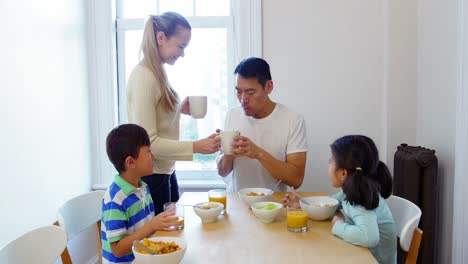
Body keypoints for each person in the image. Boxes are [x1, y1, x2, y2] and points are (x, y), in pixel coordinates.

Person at [126, 12, 220, 214]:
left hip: (164, 172)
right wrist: (196, 146)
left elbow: (155, 118)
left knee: (172, 236)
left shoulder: (156, 73)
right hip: (152, 177)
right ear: (161, 38)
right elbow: (149, 143)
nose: (183, 53)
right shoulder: (145, 77)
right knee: (162, 241)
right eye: (181, 46)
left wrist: (177, 110)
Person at [285, 135, 396, 264]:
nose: (329, 164)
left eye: (331, 161)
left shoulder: (360, 199)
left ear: (343, 173)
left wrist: (338, 226)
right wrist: (301, 204)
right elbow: (332, 203)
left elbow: (369, 237)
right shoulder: (352, 189)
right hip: (359, 254)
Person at [216, 57, 308, 192]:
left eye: (250, 92)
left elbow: (296, 180)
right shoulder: (232, 115)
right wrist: (228, 152)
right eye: (239, 91)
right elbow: (222, 172)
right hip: (237, 202)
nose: (243, 100)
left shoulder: (293, 119)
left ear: (268, 87)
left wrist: (258, 153)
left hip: (273, 206)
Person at [101, 124, 180, 263]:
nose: (153, 156)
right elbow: (117, 249)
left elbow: (145, 232)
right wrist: (152, 226)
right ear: (131, 162)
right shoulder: (115, 200)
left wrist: (159, 226)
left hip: (144, 258)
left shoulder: (143, 187)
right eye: (148, 152)